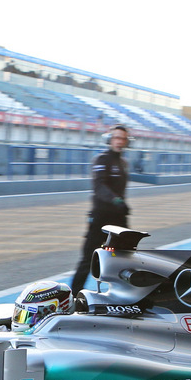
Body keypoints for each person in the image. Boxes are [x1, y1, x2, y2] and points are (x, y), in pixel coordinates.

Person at [70, 125, 131, 292]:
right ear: (109, 139)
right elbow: (99, 186)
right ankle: (73, 296)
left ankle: (122, 295)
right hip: (101, 218)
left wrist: (122, 205)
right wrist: (116, 200)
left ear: (127, 142)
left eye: (123, 138)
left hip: (119, 218)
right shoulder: (101, 160)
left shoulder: (124, 163)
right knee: (89, 258)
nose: (119, 141)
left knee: (126, 256)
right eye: (116, 138)